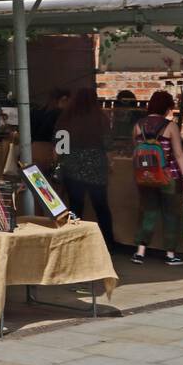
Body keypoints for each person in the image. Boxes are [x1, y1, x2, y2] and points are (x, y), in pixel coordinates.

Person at [132, 90, 183, 266]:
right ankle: (170, 255)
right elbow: (178, 154)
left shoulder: (138, 125)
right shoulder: (170, 126)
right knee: (170, 214)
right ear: (167, 108)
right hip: (168, 175)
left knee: (148, 212)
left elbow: (136, 151)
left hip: (145, 176)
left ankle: (140, 252)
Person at [56, 88, 115, 247]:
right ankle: (108, 242)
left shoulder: (66, 118)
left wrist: (62, 162)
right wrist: (110, 162)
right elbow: (108, 145)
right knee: (101, 206)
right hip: (96, 167)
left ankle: (73, 241)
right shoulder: (100, 118)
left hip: (72, 167)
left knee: (75, 206)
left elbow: (60, 146)